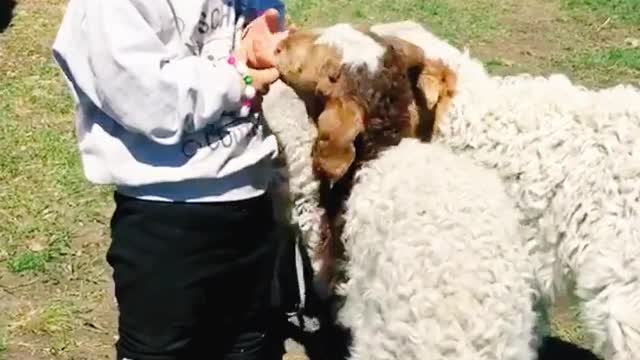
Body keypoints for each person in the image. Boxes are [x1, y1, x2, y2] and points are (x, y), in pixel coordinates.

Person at [52, 0, 292, 359]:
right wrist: (238, 79)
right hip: (168, 214)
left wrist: (272, 50)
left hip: (254, 195)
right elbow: (146, 96)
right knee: (162, 347)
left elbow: (260, 42)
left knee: (250, 341)